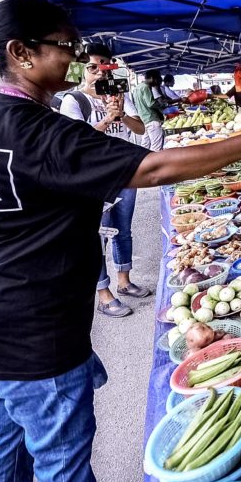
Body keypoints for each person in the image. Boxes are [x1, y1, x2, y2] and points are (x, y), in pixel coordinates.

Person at [0, 0, 241, 482]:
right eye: (64, 47)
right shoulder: (42, 131)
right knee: (61, 465)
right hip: (31, 326)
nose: (74, 59)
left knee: (6, 445)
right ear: (20, 52)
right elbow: (156, 169)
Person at [60, 43, 151, 318]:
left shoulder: (120, 94)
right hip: (93, 179)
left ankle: (124, 281)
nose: (99, 72)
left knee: (123, 230)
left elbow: (141, 128)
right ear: (82, 71)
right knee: (96, 236)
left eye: (105, 66)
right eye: (92, 67)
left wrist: (121, 114)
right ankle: (103, 293)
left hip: (124, 173)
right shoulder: (74, 101)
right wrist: (106, 120)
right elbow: (76, 141)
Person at [130, 68, 165, 151]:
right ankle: (156, 163)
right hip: (151, 118)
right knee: (157, 146)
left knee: (145, 144)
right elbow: (151, 103)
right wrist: (162, 105)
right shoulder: (146, 87)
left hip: (143, 119)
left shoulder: (137, 88)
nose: (159, 82)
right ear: (152, 78)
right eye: (158, 79)